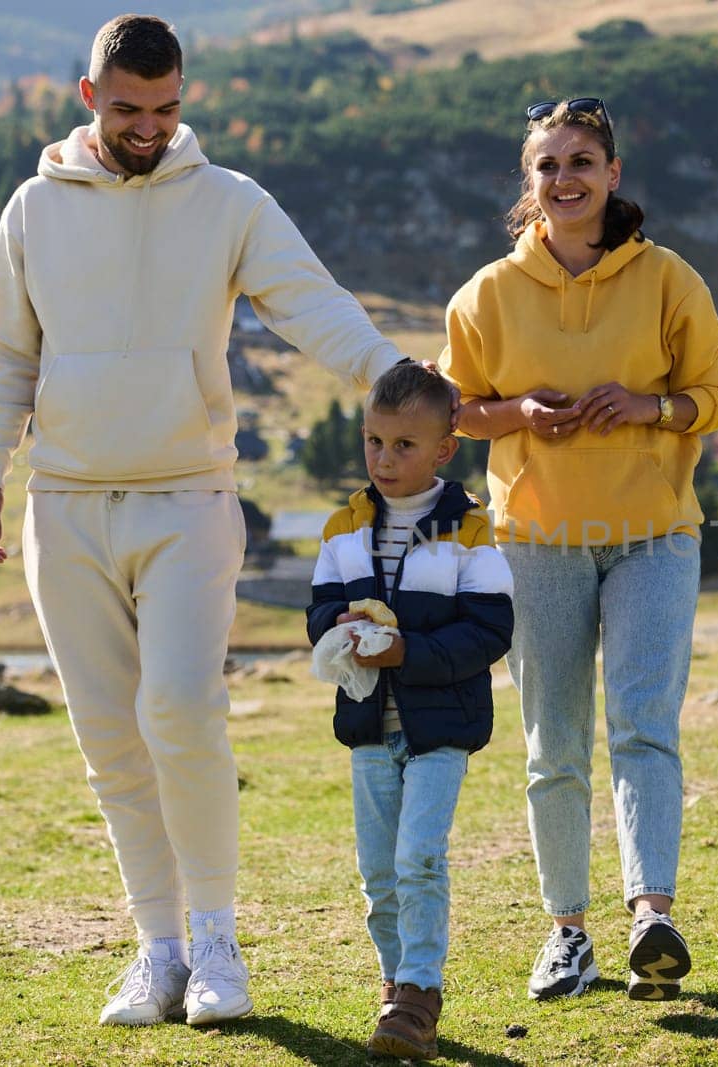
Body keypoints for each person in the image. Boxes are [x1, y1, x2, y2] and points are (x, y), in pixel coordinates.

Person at [0, 15, 417, 1027]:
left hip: (189, 495)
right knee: (110, 738)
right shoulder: (33, 207)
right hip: (65, 503)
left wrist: (398, 378)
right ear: (90, 98)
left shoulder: (229, 203)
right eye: (129, 109)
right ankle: (157, 950)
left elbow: (311, 304)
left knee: (180, 708)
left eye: (167, 109)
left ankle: (218, 942)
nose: (149, 127)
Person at [440, 97, 718, 1002]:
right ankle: (568, 933)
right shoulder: (485, 295)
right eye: (547, 166)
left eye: (581, 162)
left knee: (644, 724)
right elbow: (451, 413)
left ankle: (652, 914)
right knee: (553, 744)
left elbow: (713, 394)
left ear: (612, 176)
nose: (564, 179)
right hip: (538, 543)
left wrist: (650, 406)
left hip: (655, 537)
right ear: (527, 186)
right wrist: (519, 413)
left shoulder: (670, 279)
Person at [306, 363, 513, 1059]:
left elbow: (489, 630)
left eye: (402, 444)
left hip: (440, 732)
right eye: (373, 440)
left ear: (444, 449)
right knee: (378, 873)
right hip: (368, 729)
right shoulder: (343, 526)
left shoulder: (470, 528)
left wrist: (405, 652)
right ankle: (394, 985)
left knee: (419, 856)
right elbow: (318, 615)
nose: (383, 459)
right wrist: (341, 626)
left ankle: (421, 990)